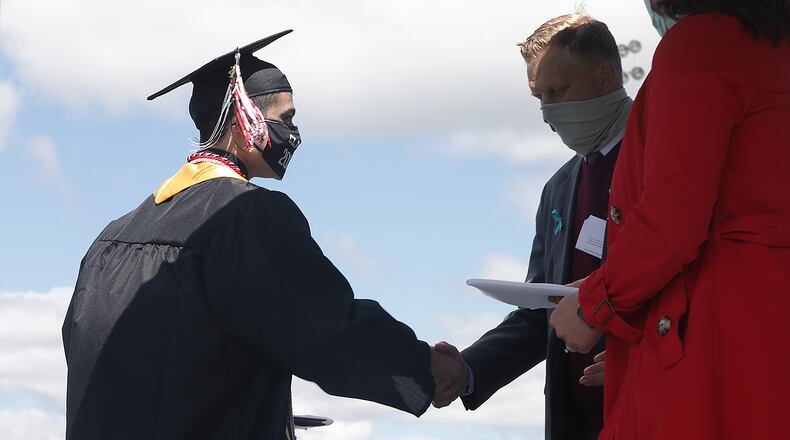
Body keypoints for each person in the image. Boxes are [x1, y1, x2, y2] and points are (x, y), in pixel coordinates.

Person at [61, 30, 465, 440]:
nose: (293, 132)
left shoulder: (110, 239)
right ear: (242, 118)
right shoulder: (246, 218)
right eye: (285, 118)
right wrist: (424, 366)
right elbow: (327, 327)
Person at [550, 1, 790, 438]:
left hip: (712, 354)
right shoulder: (771, 46)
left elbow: (672, 219)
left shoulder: (703, 44)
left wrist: (595, 304)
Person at [433, 14, 632, 440]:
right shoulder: (557, 189)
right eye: (539, 97)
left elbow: (704, 281)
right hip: (578, 423)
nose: (547, 113)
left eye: (558, 92)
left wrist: (639, 356)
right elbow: (541, 314)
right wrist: (467, 369)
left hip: (658, 409)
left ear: (605, 75)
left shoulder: (666, 159)